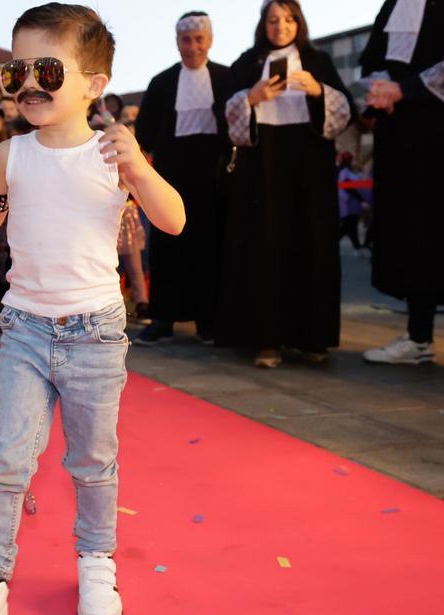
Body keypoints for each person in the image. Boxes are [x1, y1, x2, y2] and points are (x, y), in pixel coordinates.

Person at [0, 3, 185, 615]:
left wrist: (137, 167)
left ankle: (96, 561)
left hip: (97, 332)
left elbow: (173, 219)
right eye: (17, 68)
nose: (28, 83)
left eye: (47, 68)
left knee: (94, 459)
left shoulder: (113, 152)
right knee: (4, 458)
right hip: (23, 329)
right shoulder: (8, 155)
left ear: (93, 84)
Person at [359, 0, 444, 379]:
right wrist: (377, 89)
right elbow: (373, 56)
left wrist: (403, 89)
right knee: (413, 233)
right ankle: (418, 337)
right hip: (403, 133)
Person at [219, 0, 353, 368]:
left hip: (309, 164)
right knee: (264, 247)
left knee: (311, 243)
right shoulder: (247, 63)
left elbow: (344, 113)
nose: (281, 26)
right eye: (273, 20)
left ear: (299, 23)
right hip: (262, 166)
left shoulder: (318, 61)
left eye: (288, 19)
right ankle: (266, 339)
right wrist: (251, 97)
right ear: (264, 24)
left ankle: (314, 337)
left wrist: (318, 92)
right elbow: (224, 116)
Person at [133, 11, 234, 345]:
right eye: (186, 40)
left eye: (199, 39)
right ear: (177, 43)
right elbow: (145, 133)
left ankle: (209, 319)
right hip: (171, 174)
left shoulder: (226, 78)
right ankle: (163, 317)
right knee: (167, 246)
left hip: (213, 175)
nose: (193, 47)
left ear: (210, 40)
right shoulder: (162, 82)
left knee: (211, 246)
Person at [337, 152, 371, 254]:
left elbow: (358, 184)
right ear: (348, 160)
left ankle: (357, 248)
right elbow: (349, 188)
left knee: (350, 227)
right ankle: (358, 248)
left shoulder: (350, 171)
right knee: (347, 227)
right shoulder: (344, 172)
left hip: (352, 205)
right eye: (353, 160)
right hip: (348, 205)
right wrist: (362, 200)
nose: (354, 161)